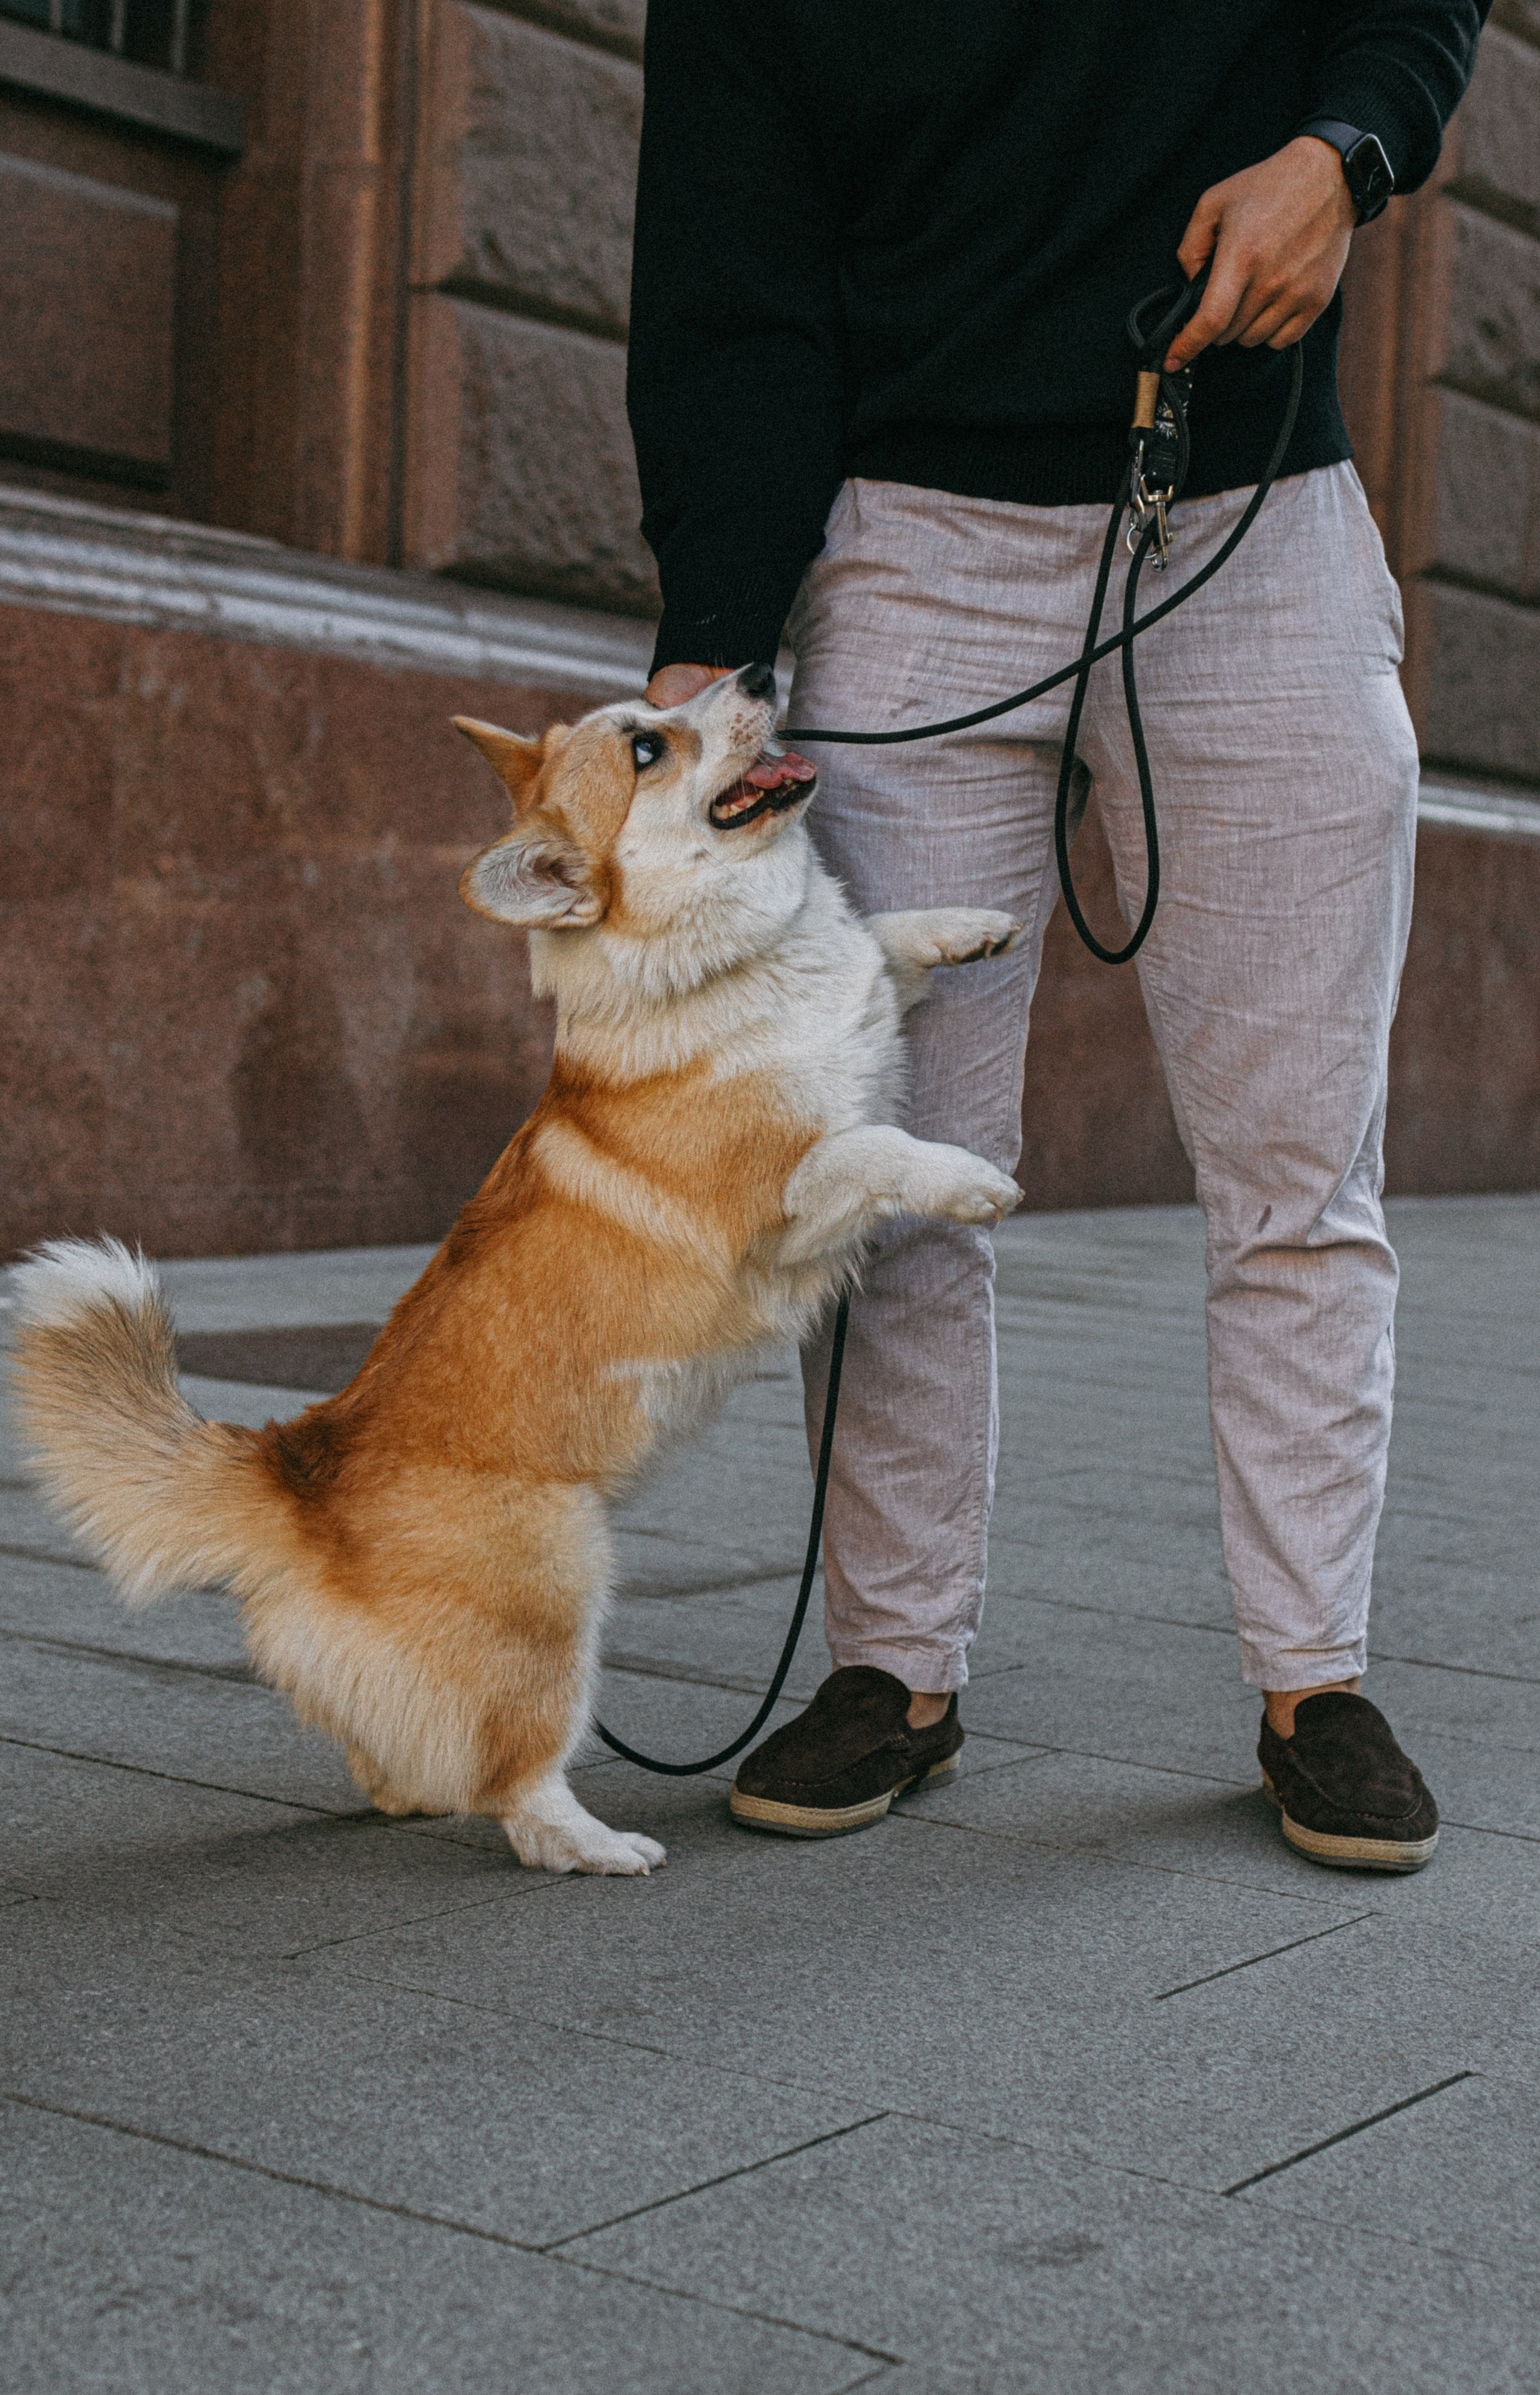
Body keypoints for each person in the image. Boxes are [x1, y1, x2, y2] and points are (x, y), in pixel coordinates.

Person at [627, 1, 1488, 1870]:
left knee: (1296, 1160)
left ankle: (1314, 1682)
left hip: (1253, 517)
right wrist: (712, 642)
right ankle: (894, 1669)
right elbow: (732, 278)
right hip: (910, 555)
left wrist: (1349, 154)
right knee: (888, 1170)